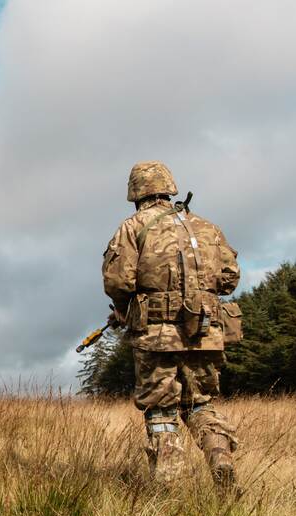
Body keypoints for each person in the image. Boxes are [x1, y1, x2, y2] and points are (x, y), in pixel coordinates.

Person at [102, 161, 241, 488]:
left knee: (162, 411)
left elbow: (118, 282)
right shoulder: (206, 227)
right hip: (205, 332)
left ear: (135, 192)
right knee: (200, 404)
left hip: (156, 337)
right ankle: (220, 455)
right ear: (169, 188)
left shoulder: (133, 227)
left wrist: (124, 311)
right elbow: (230, 278)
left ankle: (170, 490)